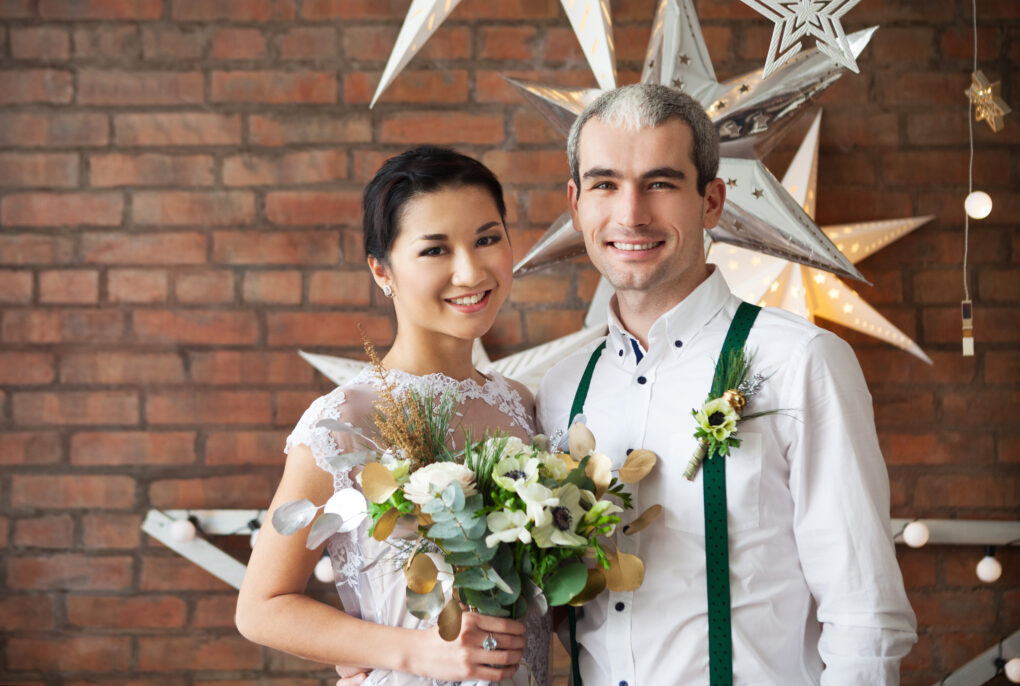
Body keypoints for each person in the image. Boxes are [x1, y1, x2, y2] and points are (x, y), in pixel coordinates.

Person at [534, 84, 917, 684]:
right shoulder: (560, 390)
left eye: (660, 183)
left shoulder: (802, 361)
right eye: (605, 184)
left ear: (711, 201)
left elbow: (863, 609)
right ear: (577, 203)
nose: (631, 214)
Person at [236, 146, 550, 686]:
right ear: (383, 271)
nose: (471, 270)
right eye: (435, 250)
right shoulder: (346, 420)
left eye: (487, 238)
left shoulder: (522, 406)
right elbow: (261, 607)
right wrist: (411, 652)